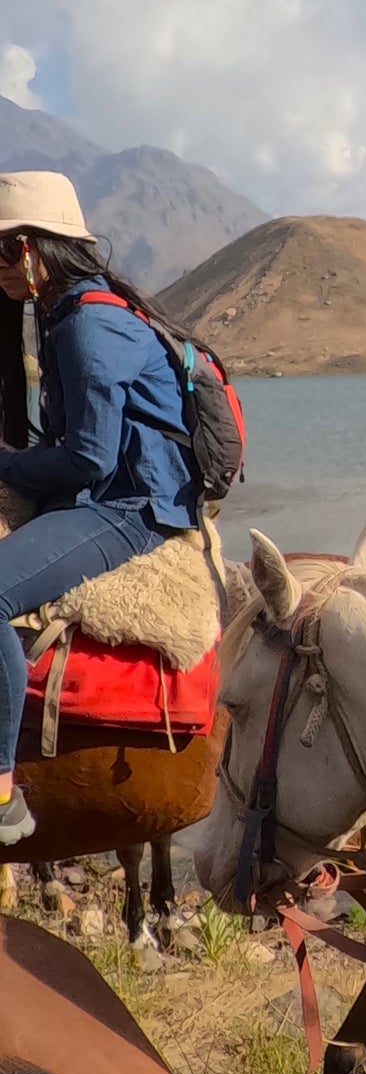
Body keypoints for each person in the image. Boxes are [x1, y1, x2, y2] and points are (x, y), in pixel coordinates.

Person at [0, 171, 199, 845]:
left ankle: (1, 791)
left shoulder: (88, 327)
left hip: (130, 508)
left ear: (29, 250)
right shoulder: (74, 312)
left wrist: (4, 465)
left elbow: (88, 458)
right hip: (107, 490)